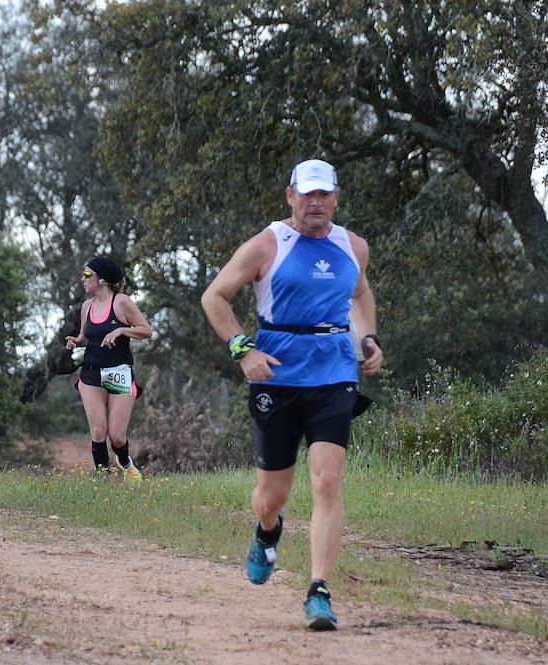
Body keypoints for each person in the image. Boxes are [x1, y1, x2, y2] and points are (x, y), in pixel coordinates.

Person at [200, 159, 384, 631]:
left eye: (325, 194)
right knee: (271, 496)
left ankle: (319, 590)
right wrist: (243, 350)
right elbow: (214, 297)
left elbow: (361, 296)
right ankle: (267, 531)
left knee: (327, 480)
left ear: (336, 198)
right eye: (308, 194)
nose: (316, 202)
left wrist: (368, 339)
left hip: (334, 376)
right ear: (291, 196)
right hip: (277, 378)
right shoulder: (268, 244)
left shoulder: (352, 246)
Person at [65, 256, 152, 482]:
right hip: (91, 373)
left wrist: (122, 331)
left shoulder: (121, 302)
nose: (82, 279)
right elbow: (86, 337)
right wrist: (76, 341)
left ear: (102, 280)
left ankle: (125, 463)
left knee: (116, 437)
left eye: (87, 275)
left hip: (119, 373)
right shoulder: (87, 306)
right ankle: (103, 483)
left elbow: (146, 330)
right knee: (98, 432)